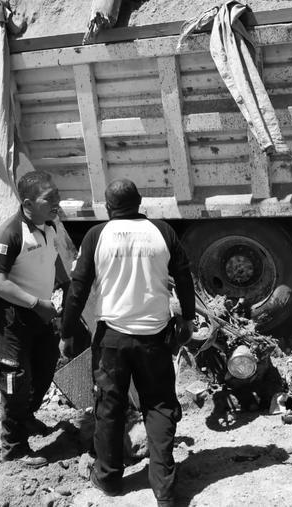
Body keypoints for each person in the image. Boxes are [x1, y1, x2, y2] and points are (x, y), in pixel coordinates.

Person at [60, 179, 195, 507]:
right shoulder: (163, 232)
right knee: (159, 404)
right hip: (154, 337)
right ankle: (163, 487)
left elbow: (78, 288)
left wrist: (66, 333)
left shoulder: (97, 235)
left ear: (108, 207)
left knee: (110, 405)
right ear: (140, 202)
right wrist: (187, 319)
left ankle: (108, 478)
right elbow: (185, 277)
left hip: (112, 341)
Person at [0, 170, 69, 467]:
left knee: (45, 368)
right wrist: (35, 303)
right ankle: (14, 446)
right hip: (11, 314)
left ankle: (26, 417)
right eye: (50, 198)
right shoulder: (9, 232)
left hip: (40, 310)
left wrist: (67, 287)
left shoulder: (49, 224)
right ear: (29, 203)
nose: (57, 202)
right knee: (15, 377)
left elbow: (52, 260)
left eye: (57, 195)